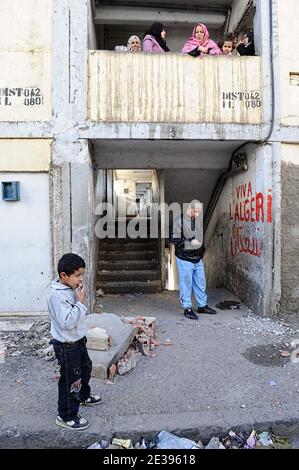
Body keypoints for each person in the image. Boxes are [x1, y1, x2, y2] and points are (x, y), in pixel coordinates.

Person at [47, 253, 102, 431]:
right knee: (71, 380)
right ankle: (67, 415)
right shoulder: (57, 296)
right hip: (66, 346)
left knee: (85, 368)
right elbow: (67, 322)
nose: (80, 279)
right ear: (64, 275)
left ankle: (83, 396)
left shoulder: (70, 287)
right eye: (77, 275)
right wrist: (80, 303)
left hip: (78, 341)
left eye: (82, 275)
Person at [170, 201, 217, 320]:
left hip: (197, 257)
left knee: (201, 283)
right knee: (186, 284)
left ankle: (202, 306)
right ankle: (187, 308)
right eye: (195, 212)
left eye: (198, 213)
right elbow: (173, 239)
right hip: (184, 258)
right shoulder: (178, 221)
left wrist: (202, 250)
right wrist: (190, 243)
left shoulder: (195, 220)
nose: (197, 215)